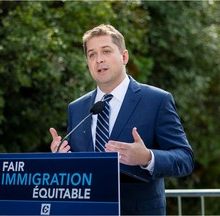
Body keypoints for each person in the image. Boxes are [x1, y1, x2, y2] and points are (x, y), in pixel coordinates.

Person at [49, 24, 194, 215]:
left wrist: (147, 157)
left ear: (124, 57)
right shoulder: (76, 108)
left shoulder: (157, 100)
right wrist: (63, 159)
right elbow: (79, 171)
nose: (99, 59)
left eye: (106, 51)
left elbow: (185, 159)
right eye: (92, 54)